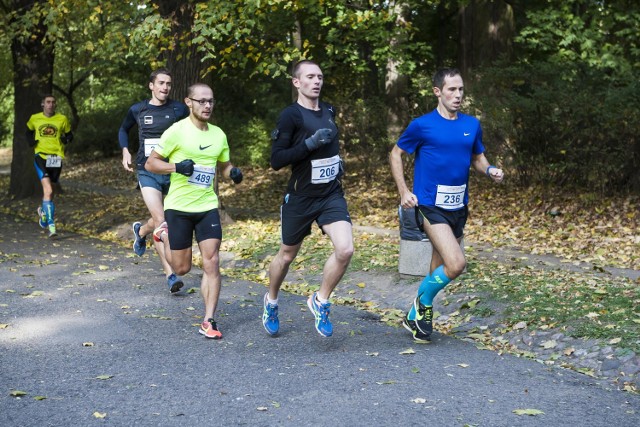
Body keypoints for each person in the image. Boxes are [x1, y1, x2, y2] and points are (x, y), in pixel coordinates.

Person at [389, 67, 504, 342]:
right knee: (456, 263)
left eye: (461, 89)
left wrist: (490, 171)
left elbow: (478, 158)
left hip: (458, 207)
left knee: (437, 267)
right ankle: (423, 305)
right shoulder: (422, 125)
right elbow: (396, 153)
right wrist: (404, 191)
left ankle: (413, 318)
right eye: (452, 89)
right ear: (437, 92)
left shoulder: (471, 125)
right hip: (430, 205)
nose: (458, 95)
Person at [263, 60, 354, 338]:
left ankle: (321, 300)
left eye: (320, 77)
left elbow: (330, 149)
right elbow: (276, 160)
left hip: (330, 194)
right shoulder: (290, 116)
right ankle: (272, 300)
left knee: (345, 249)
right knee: (287, 255)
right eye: (310, 77)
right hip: (301, 197)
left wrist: (337, 163)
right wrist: (309, 144)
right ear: (297, 82)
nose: (317, 81)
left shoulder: (328, 110)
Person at [145, 82, 243, 340]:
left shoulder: (218, 134)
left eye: (210, 101)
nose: (207, 105)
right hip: (178, 207)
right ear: (189, 102)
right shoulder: (176, 132)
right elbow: (151, 163)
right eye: (201, 101)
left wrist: (231, 172)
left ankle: (208, 320)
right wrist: (177, 167)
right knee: (182, 268)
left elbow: (223, 164)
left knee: (212, 262)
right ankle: (162, 234)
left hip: (207, 206)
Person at [118, 69, 189, 293]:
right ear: (151, 85)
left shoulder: (179, 109)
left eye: (168, 83)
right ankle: (171, 275)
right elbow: (123, 129)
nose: (165, 87)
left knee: (165, 219)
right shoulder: (138, 109)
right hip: (146, 170)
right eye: (160, 83)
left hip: (173, 170)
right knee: (161, 221)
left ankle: (140, 231)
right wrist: (125, 151)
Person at [27, 94, 73, 238]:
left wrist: (66, 139)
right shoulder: (35, 118)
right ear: (43, 104)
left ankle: (43, 214)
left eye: (53, 102)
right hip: (41, 156)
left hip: (56, 158)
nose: (51, 104)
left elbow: (70, 135)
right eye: (48, 102)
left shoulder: (62, 119)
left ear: (55, 105)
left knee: (50, 192)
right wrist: (31, 141)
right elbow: (28, 131)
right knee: (47, 189)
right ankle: (52, 226)